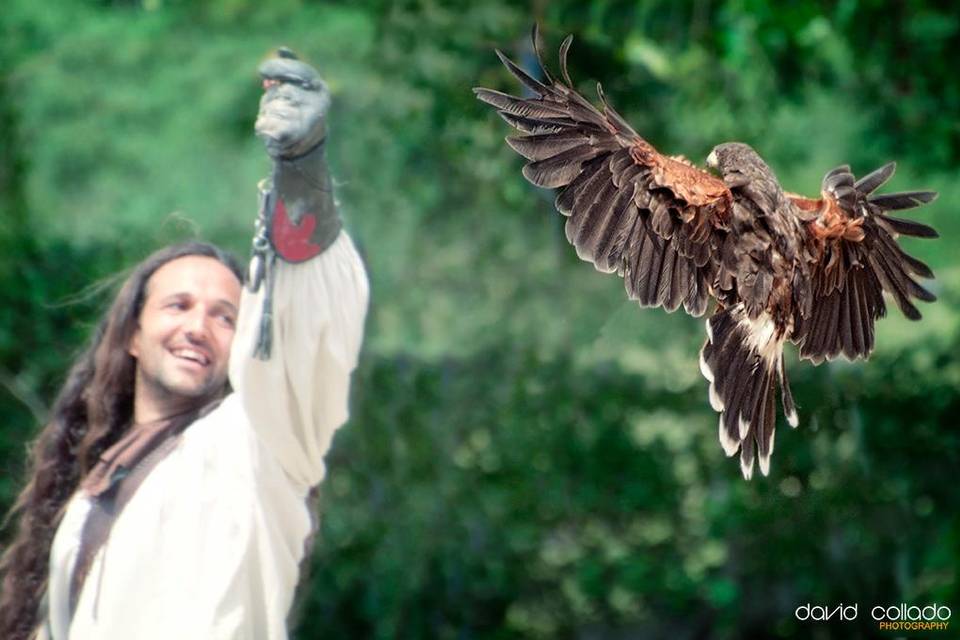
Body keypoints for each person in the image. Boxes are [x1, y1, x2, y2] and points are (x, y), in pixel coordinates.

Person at [0, 49, 368, 639]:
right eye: (178, 306)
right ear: (133, 339)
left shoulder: (255, 447)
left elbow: (303, 341)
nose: (198, 326)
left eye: (226, 317)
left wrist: (302, 174)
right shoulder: (96, 485)